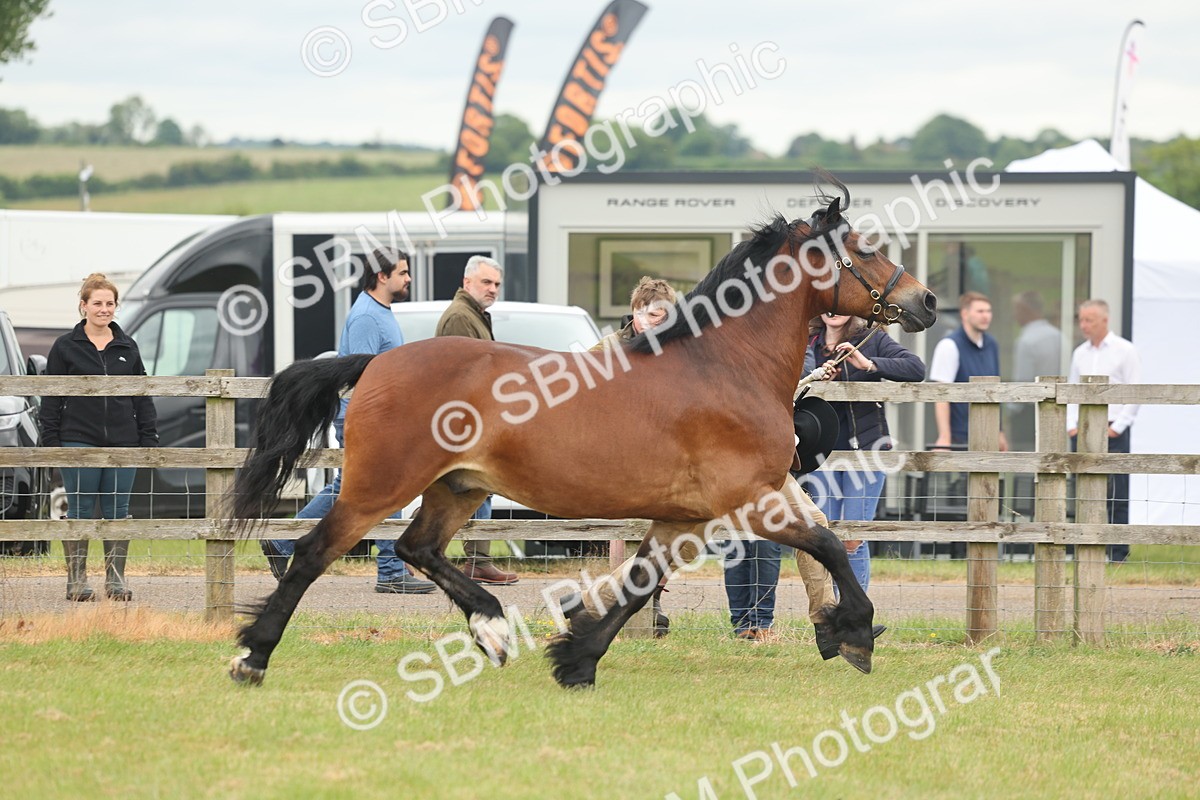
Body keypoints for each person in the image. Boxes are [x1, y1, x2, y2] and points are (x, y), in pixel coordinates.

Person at [262, 248, 435, 594]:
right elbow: (363, 378)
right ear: (382, 276)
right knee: (390, 485)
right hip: (370, 419)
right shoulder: (367, 318)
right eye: (402, 272)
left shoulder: (380, 312)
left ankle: (282, 542)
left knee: (347, 488)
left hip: (381, 419)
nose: (408, 279)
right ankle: (389, 571)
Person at [39, 273, 158, 602]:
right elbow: (50, 398)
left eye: (110, 304)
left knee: (117, 511)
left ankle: (116, 580)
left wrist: (148, 437)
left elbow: (142, 395)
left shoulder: (127, 346)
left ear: (115, 307)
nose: (104, 309)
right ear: (84, 306)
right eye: (97, 303)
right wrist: (51, 441)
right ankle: (76, 580)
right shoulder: (65, 347)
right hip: (78, 439)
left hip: (124, 440)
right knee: (80, 508)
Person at [802, 313, 925, 592]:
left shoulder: (872, 339)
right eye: (829, 306)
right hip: (821, 452)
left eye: (842, 306)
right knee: (825, 535)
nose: (834, 312)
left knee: (853, 538)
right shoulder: (807, 341)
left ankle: (854, 614)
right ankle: (829, 614)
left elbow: (916, 369)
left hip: (867, 451)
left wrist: (868, 364)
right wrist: (820, 382)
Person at [436, 255, 519, 585]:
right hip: (465, 417)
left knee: (478, 488)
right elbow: (459, 374)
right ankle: (426, 543)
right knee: (463, 487)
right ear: (467, 282)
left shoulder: (475, 315)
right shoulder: (459, 318)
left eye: (497, 284)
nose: (493, 289)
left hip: (476, 415)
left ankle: (478, 559)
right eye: (486, 282)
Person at [1067, 299, 1141, 563]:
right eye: (1082, 320)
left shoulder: (1125, 350)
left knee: (1117, 492)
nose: (1084, 325)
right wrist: (1072, 426)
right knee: (1084, 491)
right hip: (1084, 429)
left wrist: (1118, 427)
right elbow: (1073, 390)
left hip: (1112, 429)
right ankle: (1085, 550)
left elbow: (1135, 392)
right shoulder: (1080, 353)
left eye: (1090, 320)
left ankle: (1118, 554)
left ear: (1104, 320)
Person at [929, 291, 1009, 452]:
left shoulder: (992, 344)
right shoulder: (949, 345)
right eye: (980, 311)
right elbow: (941, 395)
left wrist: (999, 431)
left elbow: (996, 392)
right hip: (961, 437)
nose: (986, 316)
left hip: (989, 433)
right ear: (965, 314)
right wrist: (945, 437)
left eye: (988, 311)